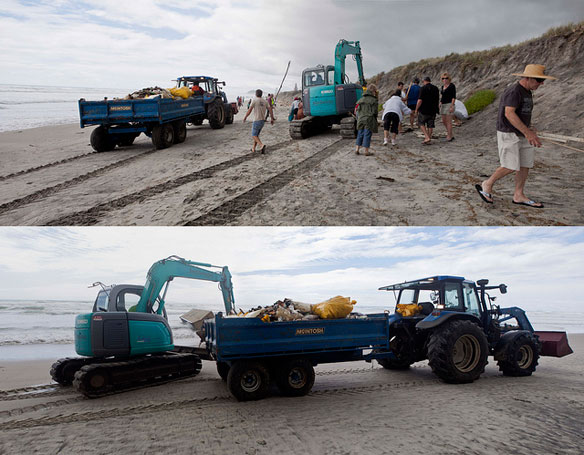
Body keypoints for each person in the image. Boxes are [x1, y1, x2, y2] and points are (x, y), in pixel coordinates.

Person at [475, 64, 556, 208]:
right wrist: (528, 132)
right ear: (528, 78)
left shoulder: (527, 91)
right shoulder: (514, 91)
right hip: (508, 133)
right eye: (538, 80)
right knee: (510, 165)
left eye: (542, 80)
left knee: (525, 164)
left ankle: (518, 195)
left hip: (522, 133)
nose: (541, 83)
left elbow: (521, 113)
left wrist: (529, 129)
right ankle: (487, 184)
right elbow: (509, 113)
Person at [243, 89, 275, 154]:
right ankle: (253, 148)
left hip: (256, 120)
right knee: (256, 135)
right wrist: (272, 118)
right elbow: (270, 109)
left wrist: (245, 117)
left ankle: (261, 145)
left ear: (256, 94)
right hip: (262, 121)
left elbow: (250, 110)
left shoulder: (254, 100)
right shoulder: (265, 101)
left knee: (254, 135)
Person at [354, 84, 379, 156]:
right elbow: (375, 112)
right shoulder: (374, 100)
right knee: (367, 134)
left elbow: (357, 110)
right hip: (369, 119)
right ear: (373, 91)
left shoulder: (361, 99)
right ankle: (366, 151)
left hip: (361, 119)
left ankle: (357, 149)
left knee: (360, 133)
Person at [415, 76, 440, 145]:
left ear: (424, 81)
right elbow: (437, 99)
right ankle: (428, 138)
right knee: (430, 125)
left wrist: (416, 109)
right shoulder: (436, 88)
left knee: (421, 123)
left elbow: (420, 100)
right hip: (433, 109)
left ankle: (426, 137)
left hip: (424, 109)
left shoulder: (422, 88)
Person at [440, 72, 456, 141]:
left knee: (449, 121)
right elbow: (443, 96)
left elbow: (453, 97)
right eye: (443, 78)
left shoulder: (452, 86)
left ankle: (449, 136)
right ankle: (450, 134)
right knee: (444, 121)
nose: (444, 80)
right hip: (443, 104)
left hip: (449, 104)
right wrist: (440, 102)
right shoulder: (442, 87)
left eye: (446, 78)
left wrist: (452, 106)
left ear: (449, 79)